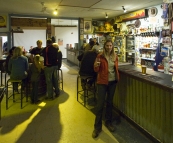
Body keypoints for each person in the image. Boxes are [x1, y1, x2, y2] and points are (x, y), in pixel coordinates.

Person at [92, 39, 120, 138]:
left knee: (109, 103)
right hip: (102, 83)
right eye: (107, 45)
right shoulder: (100, 56)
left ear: (112, 46)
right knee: (100, 105)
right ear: (104, 46)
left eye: (110, 45)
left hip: (112, 82)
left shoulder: (115, 56)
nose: (109, 47)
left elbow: (115, 68)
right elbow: (96, 69)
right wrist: (95, 66)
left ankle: (108, 122)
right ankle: (97, 127)